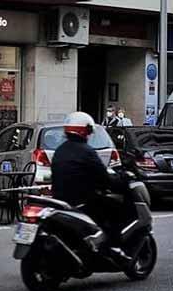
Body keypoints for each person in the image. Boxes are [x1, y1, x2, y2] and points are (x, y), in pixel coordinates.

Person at [49, 111, 130, 264]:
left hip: (60, 200)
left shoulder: (60, 151)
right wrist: (121, 181)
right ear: (84, 131)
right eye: (88, 131)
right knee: (116, 208)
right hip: (83, 201)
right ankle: (114, 248)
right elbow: (104, 178)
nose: (89, 135)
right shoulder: (86, 152)